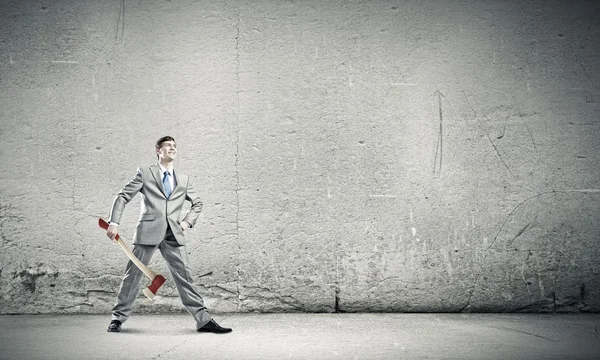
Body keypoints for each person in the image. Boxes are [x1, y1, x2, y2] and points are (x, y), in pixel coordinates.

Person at [104, 136, 231, 334]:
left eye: (174, 146)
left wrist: (187, 222)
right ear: (158, 150)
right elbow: (123, 196)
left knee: (185, 277)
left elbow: (198, 203)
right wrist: (114, 222)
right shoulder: (145, 173)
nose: (172, 148)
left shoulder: (183, 179)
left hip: (173, 234)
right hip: (148, 232)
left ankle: (203, 320)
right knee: (133, 275)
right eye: (168, 146)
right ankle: (117, 318)